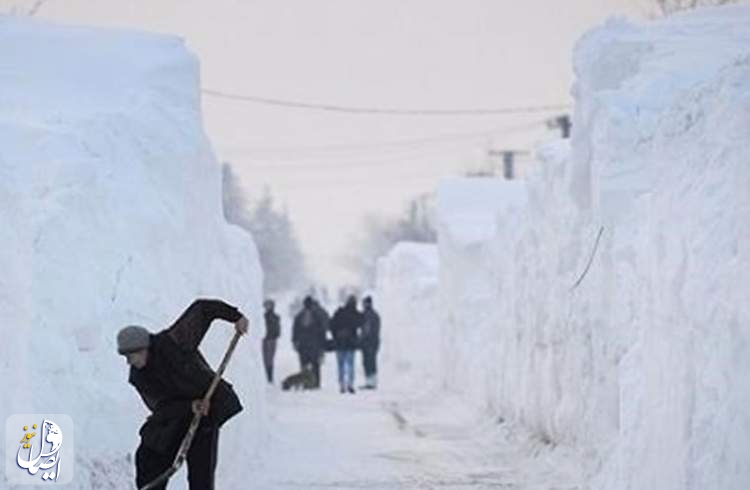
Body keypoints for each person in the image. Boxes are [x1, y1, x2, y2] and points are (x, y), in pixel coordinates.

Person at [116, 299, 249, 490]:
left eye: (132, 355)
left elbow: (203, 309)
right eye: (126, 357)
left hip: (207, 410)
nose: (130, 361)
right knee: (148, 455)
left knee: (201, 474)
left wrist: (235, 316)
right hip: (175, 417)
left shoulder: (175, 342)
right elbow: (159, 408)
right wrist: (190, 406)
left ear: (145, 348)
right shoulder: (139, 377)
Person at [329, 295, 364, 394]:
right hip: (351, 343)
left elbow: (331, 325)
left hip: (340, 343)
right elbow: (362, 323)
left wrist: (335, 336)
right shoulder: (356, 314)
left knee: (340, 365)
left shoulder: (339, 312)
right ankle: (350, 384)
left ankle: (342, 384)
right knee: (350, 365)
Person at [292, 296, 326, 388]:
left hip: (305, 344)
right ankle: (315, 383)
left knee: (306, 364)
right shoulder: (317, 316)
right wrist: (322, 345)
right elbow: (322, 332)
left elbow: (295, 331)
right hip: (313, 344)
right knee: (314, 365)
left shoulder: (299, 316)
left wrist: (295, 342)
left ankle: (308, 383)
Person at [359, 296, 381, 390]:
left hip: (368, 342)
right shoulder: (375, 314)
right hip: (374, 341)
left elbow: (366, 330)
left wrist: (361, 339)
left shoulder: (366, 315)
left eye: (363, 303)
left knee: (368, 361)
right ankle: (372, 381)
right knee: (371, 361)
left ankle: (370, 382)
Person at [262, 299, 281, 384]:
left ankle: (269, 377)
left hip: (271, 339)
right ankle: (268, 377)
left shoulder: (274, 317)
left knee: (269, 359)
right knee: (266, 359)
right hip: (266, 339)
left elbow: (277, 330)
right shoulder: (264, 316)